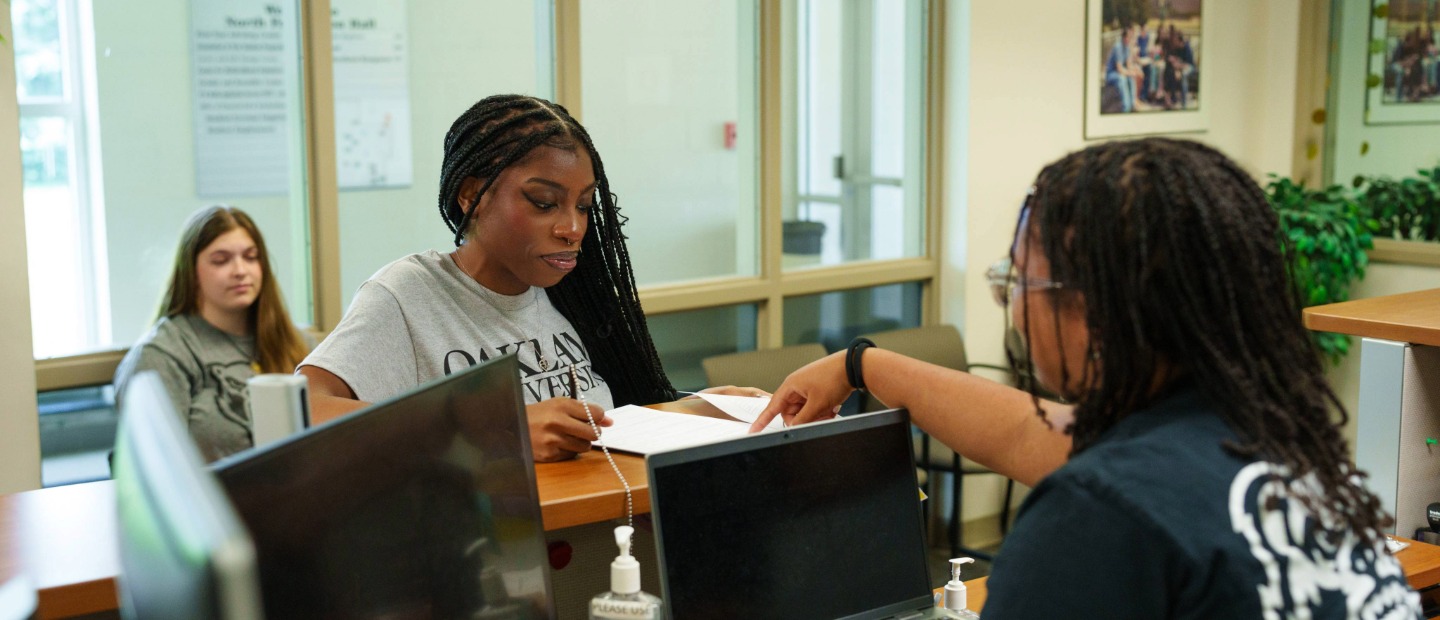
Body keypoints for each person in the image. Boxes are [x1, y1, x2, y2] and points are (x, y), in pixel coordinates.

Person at [753, 138, 1422, 617]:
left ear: (1098, 310)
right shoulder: (1277, 442)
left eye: (1020, 279)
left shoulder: (1102, 514)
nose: (1012, 302)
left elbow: (1085, 472)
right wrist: (860, 366)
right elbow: (1029, 433)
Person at [300, 94, 764, 463]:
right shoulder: (409, 294)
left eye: (583, 206)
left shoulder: (574, 294)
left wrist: (698, 407)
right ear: (471, 196)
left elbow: (607, 426)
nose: (573, 228)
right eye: (544, 203)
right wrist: (497, 429)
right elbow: (302, 412)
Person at [114, 205, 309, 462]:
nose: (240, 270)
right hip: (213, 500)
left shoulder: (295, 343)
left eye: (251, 257)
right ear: (191, 272)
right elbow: (156, 469)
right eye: (221, 260)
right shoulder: (161, 355)